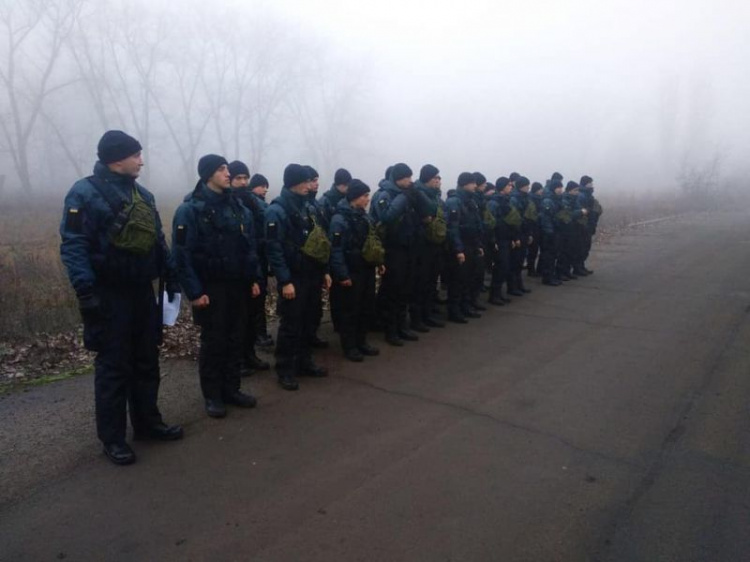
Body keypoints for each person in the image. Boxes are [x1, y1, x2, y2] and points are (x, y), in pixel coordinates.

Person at [60, 130, 183, 466]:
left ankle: (147, 424)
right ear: (116, 157)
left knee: (146, 360)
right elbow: (74, 245)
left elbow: (158, 239)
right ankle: (112, 439)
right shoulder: (83, 193)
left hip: (142, 292)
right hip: (108, 294)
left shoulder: (143, 194)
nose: (141, 160)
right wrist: (85, 291)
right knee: (114, 367)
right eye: (136, 155)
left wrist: (170, 274)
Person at [172, 155, 262, 419]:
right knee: (214, 341)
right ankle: (213, 395)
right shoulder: (190, 209)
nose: (227, 173)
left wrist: (254, 278)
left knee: (236, 338)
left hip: (238, 284)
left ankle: (232, 389)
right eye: (222, 169)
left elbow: (250, 247)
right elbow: (181, 254)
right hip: (210, 287)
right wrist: (195, 292)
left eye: (227, 169)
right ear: (208, 174)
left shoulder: (238, 207)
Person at [265, 164, 331, 390]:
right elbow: (274, 249)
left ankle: (304, 361)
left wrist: (324, 272)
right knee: (291, 325)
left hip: (311, 274)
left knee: (308, 320)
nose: (310, 185)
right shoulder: (277, 210)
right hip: (293, 278)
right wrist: (285, 281)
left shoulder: (308, 207)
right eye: (305, 181)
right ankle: (285, 368)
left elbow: (319, 241)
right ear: (293, 183)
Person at [370, 163, 435, 345]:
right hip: (393, 248)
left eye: (410, 177)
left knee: (406, 289)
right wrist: (404, 197)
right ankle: (391, 330)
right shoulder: (385, 194)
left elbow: (430, 209)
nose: (409, 180)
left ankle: (402, 326)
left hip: (410, 247)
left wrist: (417, 194)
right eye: (406, 177)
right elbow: (387, 217)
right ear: (397, 179)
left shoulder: (410, 193)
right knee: (393, 290)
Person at [328, 180, 384, 361]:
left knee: (366, 308)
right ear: (355, 197)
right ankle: (350, 346)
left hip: (366, 269)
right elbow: (336, 250)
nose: (368, 199)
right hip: (351, 272)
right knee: (350, 311)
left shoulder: (364, 217)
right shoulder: (339, 219)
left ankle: (362, 342)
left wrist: (378, 261)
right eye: (365, 196)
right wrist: (342, 275)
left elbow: (372, 242)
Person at [228, 161, 271, 374]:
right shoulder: (229, 203)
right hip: (234, 269)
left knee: (254, 311)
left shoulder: (252, 203)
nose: (243, 182)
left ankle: (249, 354)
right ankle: (238, 360)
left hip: (255, 263)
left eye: (246, 178)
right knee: (237, 319)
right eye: (239, 178)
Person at [445, 172, 485, 322]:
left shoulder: (471, 201)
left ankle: (465, 306)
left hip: (471, 244)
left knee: (468, 278)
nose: (475, 186)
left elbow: (476, 224)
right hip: (461, 246)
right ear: (464, 184)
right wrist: (458, 249)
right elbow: (453, 228)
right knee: (458, 280)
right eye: (472, 183)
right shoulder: (454, 202)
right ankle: (454, 311)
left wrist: (478, 245)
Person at [411, 164, 447, 329]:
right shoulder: (418, 193)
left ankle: (427, 314)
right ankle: (417, 319)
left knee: (431, 282)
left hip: (434, 244)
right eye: (435, 178)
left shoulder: (435, 196)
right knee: (421, 283)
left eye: (439, 178)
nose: (438, 181)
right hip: (422, 246)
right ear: (426, 178)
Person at [303, 165, 330, 349]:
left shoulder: (316, 204)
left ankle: (311, 336)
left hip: (318, 261)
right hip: (304, 264)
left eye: (317, 180)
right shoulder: (303, 206)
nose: (316, 184)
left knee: (314, 305)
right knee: (302, 310)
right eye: (312, 180)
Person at [487, 177, 520, 305]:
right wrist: (493, 240)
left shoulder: (506, 201)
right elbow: (491, 223)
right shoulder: (494, 202)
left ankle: (498, 293)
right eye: (508, 185)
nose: (511, 187)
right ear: (502, 187)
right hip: (499, 240)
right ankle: (494, 295)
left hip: (506, 238)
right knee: (501, 267)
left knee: (505, 267)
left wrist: (512, 237)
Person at [509, 176, 533, 296]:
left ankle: (519, 285)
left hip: (524, 233)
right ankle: (512, 287)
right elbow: (514, 220)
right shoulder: (514, 199)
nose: (528, 187)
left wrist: (528, 234)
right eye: (526, 185)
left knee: (519, 261)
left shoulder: (526, 198)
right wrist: (516, 237)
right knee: (515, 262)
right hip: (518, 233)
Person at [538, 178, 565, 286]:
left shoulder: (557, 199)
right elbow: (546, 218)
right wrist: (550, 232)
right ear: (553, 188)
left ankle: (551, 276)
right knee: (548, 256)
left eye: (561, 187)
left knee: (553, 255)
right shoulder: (547, 201)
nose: (560, 190)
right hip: (549, 233)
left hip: (556, 231)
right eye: (558, 188)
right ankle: (547, 277)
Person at [577, 175, 601, 274]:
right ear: (584, 184)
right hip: (583, 226)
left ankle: (581, 266)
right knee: (581, 248)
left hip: (589, 224)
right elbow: (582, 211)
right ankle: (578, 268)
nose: (591, 185)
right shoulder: (581, 195)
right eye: (589, 183)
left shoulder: (588, 195)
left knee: (586, 247)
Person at [526, 182, 544, 277]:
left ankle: (536, 269)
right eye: (540, 189)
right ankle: (531, 269)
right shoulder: (531, 200)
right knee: (533, 250)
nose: (542, 191)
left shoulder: (540, 199)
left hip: (539, 228)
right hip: (533, 228)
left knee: (536, 250)